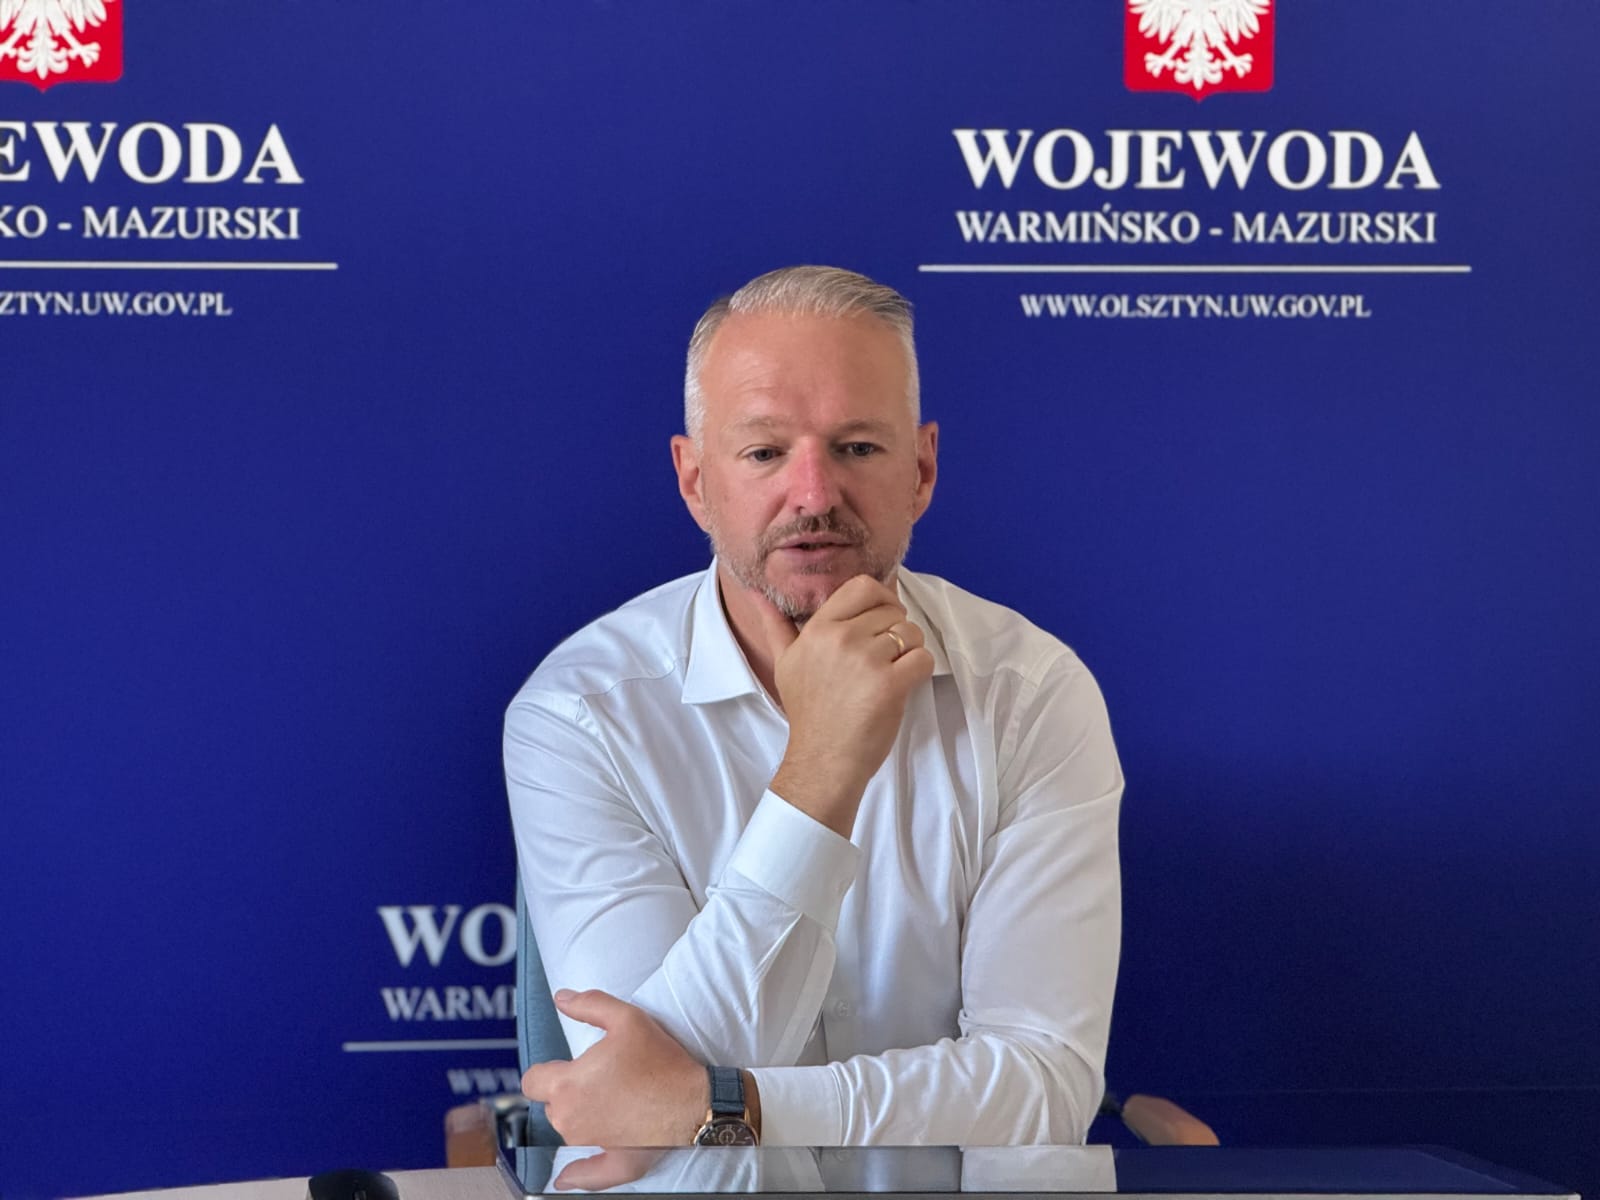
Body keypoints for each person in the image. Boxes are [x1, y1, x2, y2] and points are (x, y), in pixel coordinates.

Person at [506, 266, 1122, 1150]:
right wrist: (821, 768)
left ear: (921, 470)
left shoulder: (1031, 693)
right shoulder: (579, 714)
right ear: (695, 481)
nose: (814, 496)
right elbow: (632, 1103)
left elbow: (1045, 1087)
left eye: (858, 448)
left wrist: (738, 1110)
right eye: (764, 453)